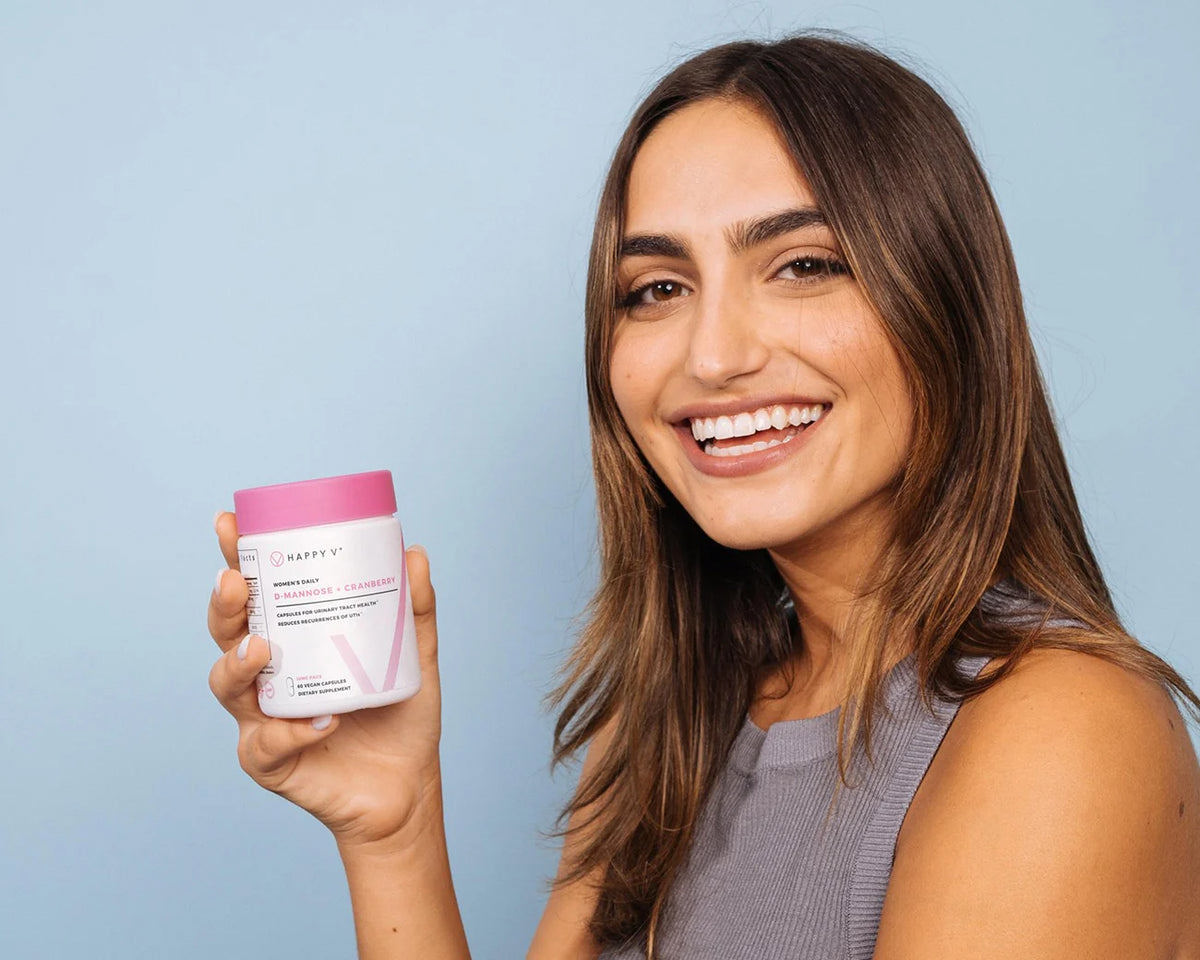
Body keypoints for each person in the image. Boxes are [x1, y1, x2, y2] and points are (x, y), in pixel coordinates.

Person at [206, 31, 1200, 960]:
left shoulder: (1061, 732)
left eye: (804, 266)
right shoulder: (666, 729)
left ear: (945, 308)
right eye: (657, 289)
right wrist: (395, 826)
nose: (715, 357)